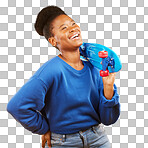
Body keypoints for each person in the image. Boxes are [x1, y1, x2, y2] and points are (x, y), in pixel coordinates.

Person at [7, 5, 120, 148]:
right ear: (53, 41)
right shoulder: (50, 71)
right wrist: (44, 128)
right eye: (64, 28)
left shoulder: (95, 67)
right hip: (65, 142)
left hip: (98, 137)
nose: (73, 28)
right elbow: (16, 106)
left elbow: (108, 119)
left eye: (73, 24)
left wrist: (108, 86)